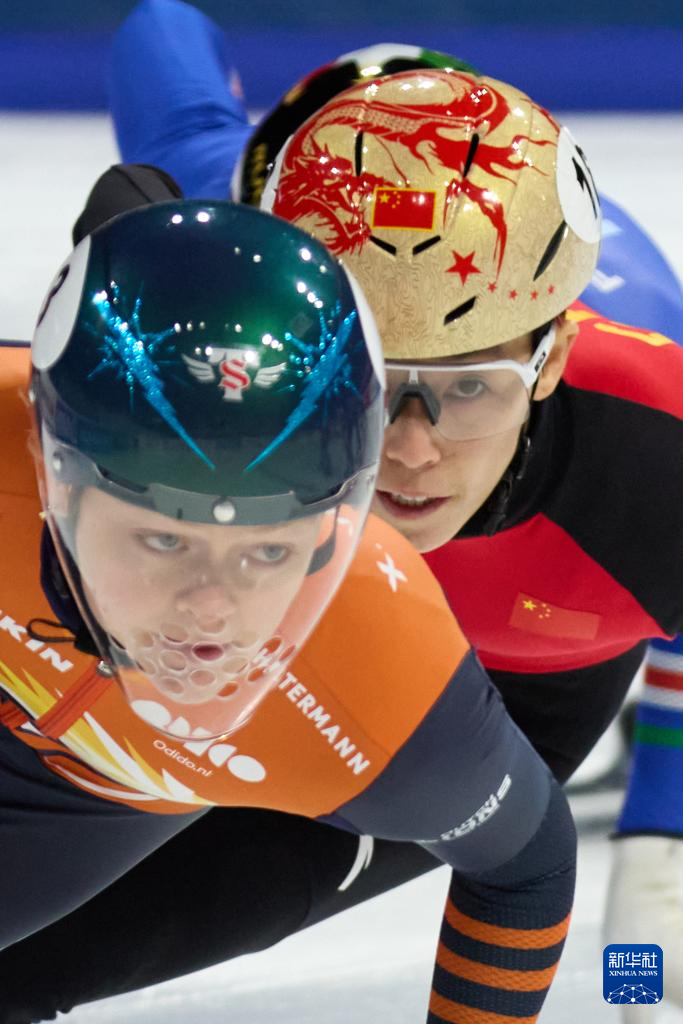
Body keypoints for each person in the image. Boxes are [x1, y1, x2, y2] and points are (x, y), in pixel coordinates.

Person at [2, 2, 682, 1017]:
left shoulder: (654, 452)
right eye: (368, 378)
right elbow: (162, 38)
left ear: (550, 362)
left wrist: (659, 823)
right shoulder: (237, 280)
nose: (407, 451)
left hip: (496, 693)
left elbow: (160, 35)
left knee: (46, 966)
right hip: (265, 632)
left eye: (467, 385)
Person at [0, 186, 577, 1024]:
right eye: (162, 539)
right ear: (50, 471)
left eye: (268, 551)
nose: (210, 610)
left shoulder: (382, 675)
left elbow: (526, 864)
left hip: (96, 799)